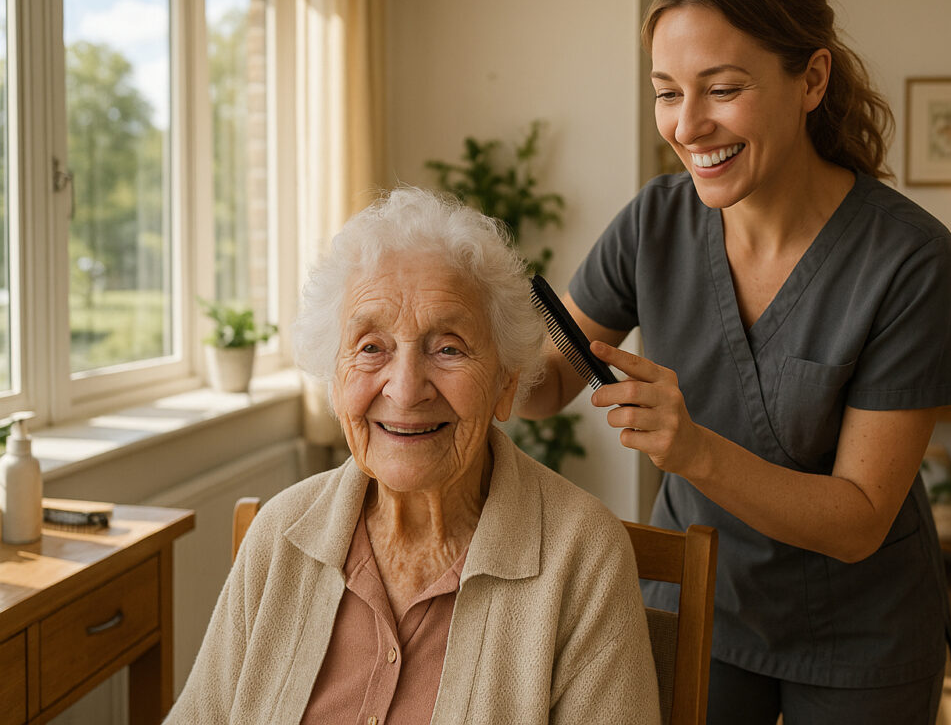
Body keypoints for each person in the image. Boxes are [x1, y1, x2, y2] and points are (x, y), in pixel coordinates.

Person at [518, 0, 951, 725]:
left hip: (860, 635)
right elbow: (546, 381)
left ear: (812, 80)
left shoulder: (909, 259)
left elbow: (860, 520)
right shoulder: (655, 222)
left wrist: (692, 450)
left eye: (722, 89)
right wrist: (454, 343)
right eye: (667, 93)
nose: (689, 125)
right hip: (699, 603)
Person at [168, 189, 659, 724]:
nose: (404, 391)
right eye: (371, 347)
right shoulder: (280, 533)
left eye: (448, 348)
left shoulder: (582, 557)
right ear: (335, 382)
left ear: (505, 384)